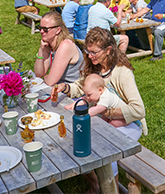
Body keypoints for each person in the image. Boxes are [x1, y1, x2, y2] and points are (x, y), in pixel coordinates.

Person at [55, 27, 146, 194]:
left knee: (105, 151)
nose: (89, 56)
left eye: (94, 52)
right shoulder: (94, 67)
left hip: (129, 124)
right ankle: (96, 184)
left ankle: (111, 190)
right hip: (106, 122)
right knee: (77, 138)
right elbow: (80, 87)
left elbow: (139, 110)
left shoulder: (122, 73)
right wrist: (65, 87)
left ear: (108, 50)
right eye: (87, 51)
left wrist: (108, 113)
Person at [34, 11, 84, 86]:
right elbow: (39, 73)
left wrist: (44, 78)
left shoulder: (65, 45)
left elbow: (51, 81)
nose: (41, 31)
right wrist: (41, 50)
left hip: (72, 91)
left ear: (58, 30)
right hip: (59, 88)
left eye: (45, 29)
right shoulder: (48, 44)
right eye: (40, 28)